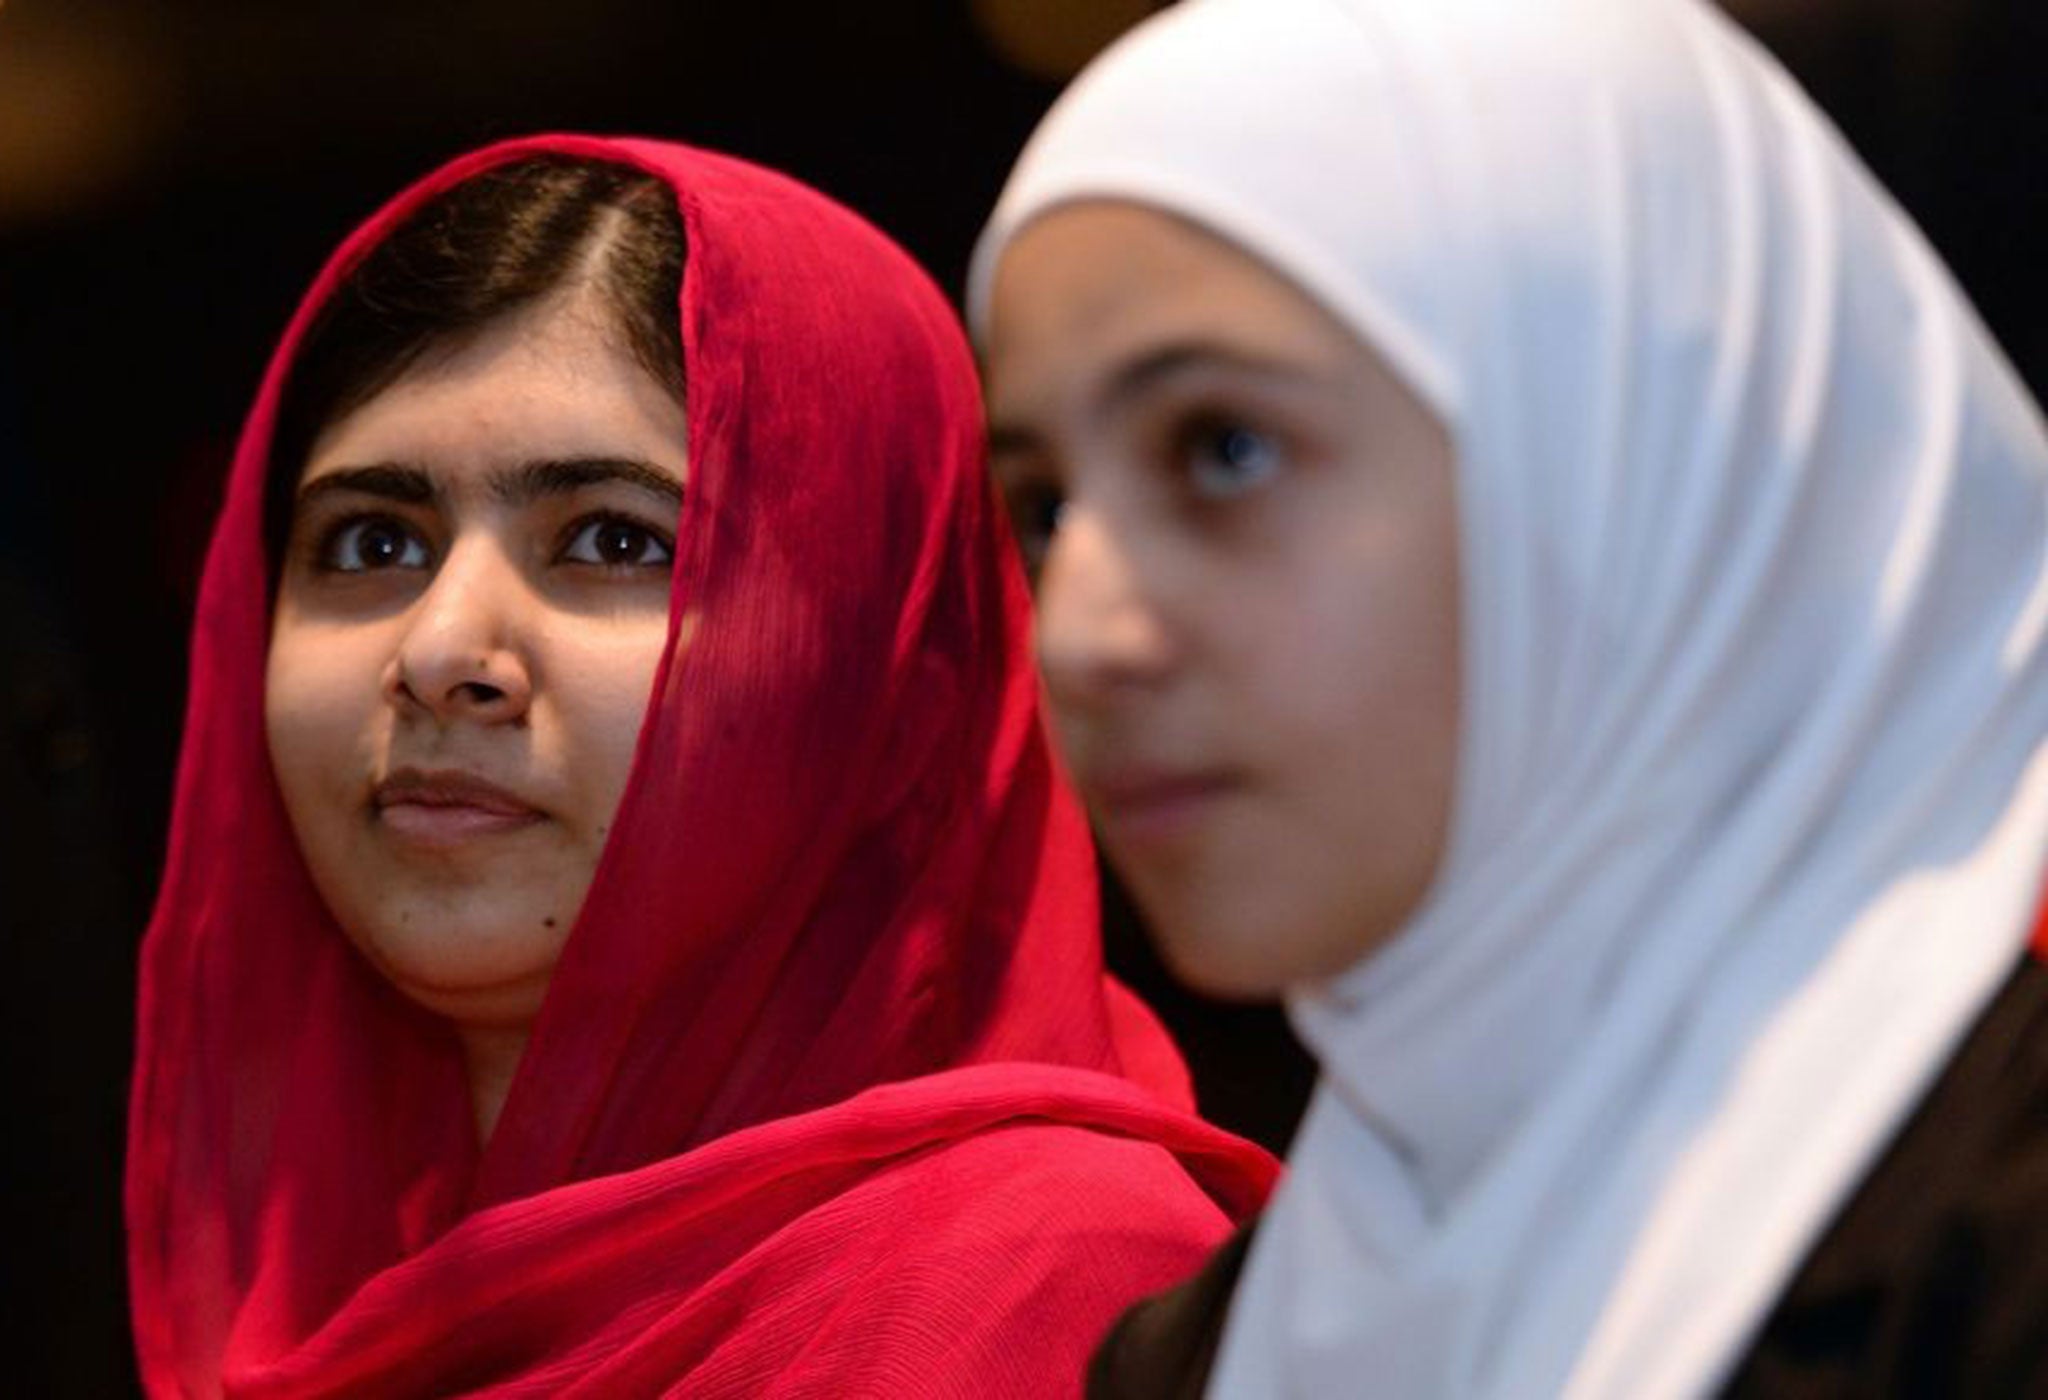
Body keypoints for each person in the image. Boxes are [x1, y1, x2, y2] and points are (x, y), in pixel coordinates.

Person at [970, 0, 2048, 1394]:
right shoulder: (1211, 1343)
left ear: (1641, 464)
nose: (1079, 637)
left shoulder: (2000, 1247)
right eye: (1046, 506)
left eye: (1224, 448)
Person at [125, 133, 1275, 1398]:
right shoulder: (316, 1279)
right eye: (370, 544)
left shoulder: (1025, 1284)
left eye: (613, 538)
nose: (443, 648)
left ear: (887, 683)